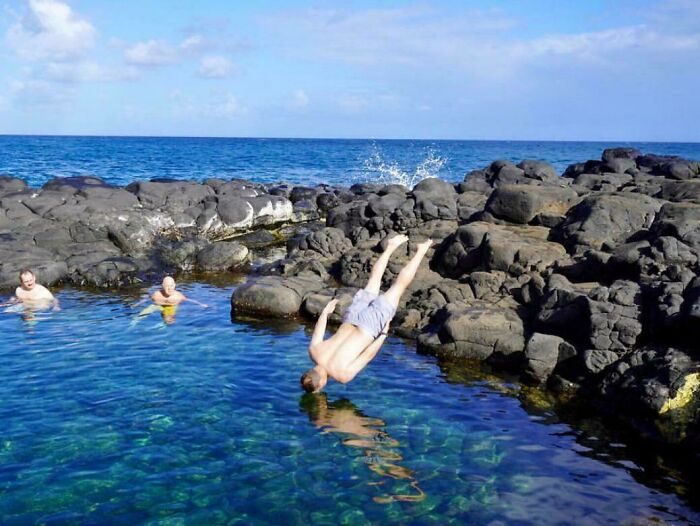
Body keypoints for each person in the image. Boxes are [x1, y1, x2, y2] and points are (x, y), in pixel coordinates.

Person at [300, 235, 432, 393]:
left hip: (369, 327)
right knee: (374, 280)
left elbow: (368, 355)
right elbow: (319, 329)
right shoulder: (314, 351)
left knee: (399, 287)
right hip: (351, 318)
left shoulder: (342, 375)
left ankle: (420, 251)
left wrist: (383, 334)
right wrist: (326, 312)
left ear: (321, 383)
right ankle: (390, 247)